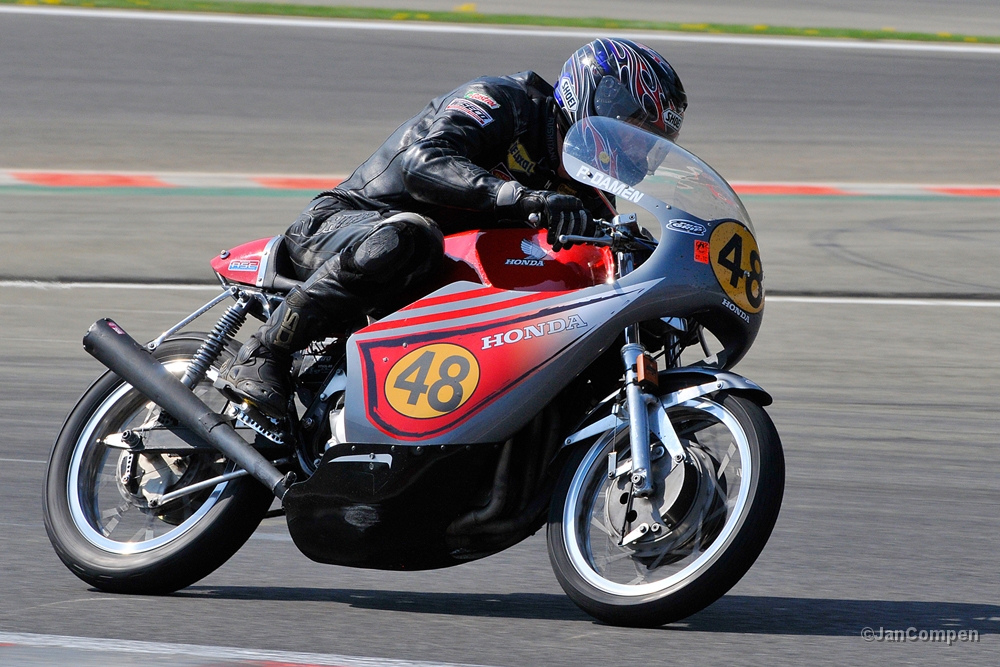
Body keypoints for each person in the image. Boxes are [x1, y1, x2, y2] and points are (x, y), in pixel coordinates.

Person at [216, 38, 688, 419]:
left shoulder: (585, 191)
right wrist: (518, 196)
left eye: (653, 138)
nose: (640, 147)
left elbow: (602, 261)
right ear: (600, 98)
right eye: (636, 127)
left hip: (430, 275)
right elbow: (422, 162)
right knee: (411, 235)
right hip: (343, 225)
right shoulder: (506, 101)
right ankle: (265, 354)